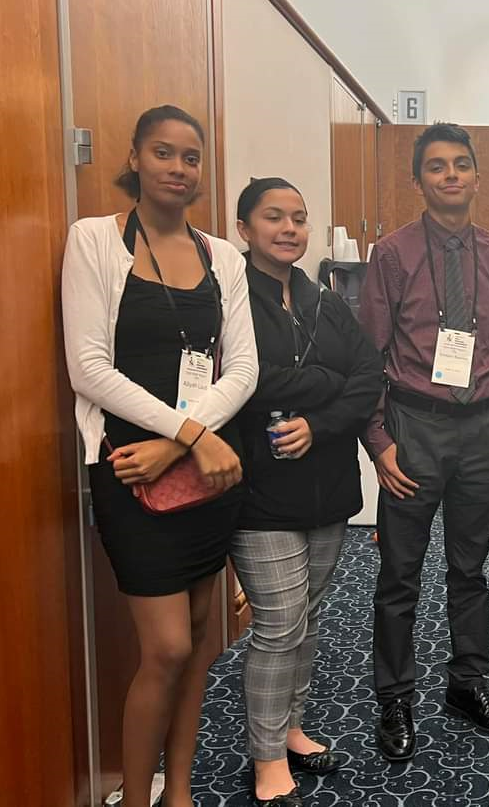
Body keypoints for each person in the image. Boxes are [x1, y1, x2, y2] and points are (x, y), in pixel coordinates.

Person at [61, 105, 257, 807]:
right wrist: (193, 435)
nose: (179, 168)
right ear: (135, 158)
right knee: (167, 647)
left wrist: (187, 439)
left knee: (202, 643)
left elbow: (243, 370)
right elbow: (88, 368)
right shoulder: (94, 240)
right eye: (164, 153)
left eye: (191, 157)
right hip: (128, 471)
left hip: (204, 473)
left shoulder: (223, 257)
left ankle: (179, 792)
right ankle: (139, 798)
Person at [360, 123, 489, 761]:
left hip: (481, 428)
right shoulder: (393, 254)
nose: (451, 175)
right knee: (399, 573)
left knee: (471, 570)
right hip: (414, 427)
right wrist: (379, 443)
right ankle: (394, 697)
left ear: (476, 176)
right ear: (419, 181)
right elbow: (368, 355)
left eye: (461, 164)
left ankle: (468, 684)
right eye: (437, 166)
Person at [231, 178, 383, 806]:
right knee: (278, 624)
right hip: (259, 486)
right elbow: (241, 379)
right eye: (274, 217)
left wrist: (316, 417)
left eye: (298, 218)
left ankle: (289, 727)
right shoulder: (228, 298)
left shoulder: (325, 300)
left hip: (325, 483)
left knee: (308, 617)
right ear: (244, 229)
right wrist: (322, 378)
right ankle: (266, 757)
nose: (290, 228)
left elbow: (368, 373)